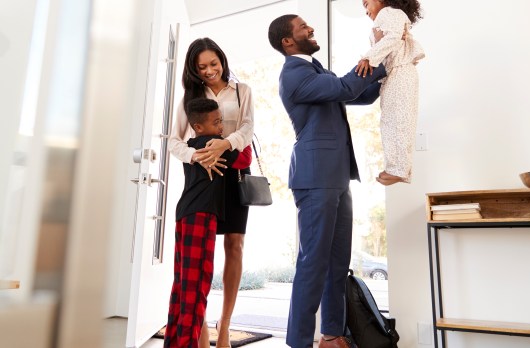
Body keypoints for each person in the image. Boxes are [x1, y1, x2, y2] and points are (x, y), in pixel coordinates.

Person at [268, 14, 387, 348]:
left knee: (337, 261)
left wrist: (387, 72)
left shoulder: (316, 70)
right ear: (287, 42)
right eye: (302, 27)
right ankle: (299, 342)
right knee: (313, 262)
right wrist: (376, 54)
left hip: (336, 177)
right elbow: (348, 86)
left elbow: (358, 94)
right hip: (315, 177)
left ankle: (331, 335)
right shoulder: (293, 74)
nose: (311, 29)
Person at [168, 37, 254, 348]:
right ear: (193, 69)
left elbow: (247, 128)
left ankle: (225, 326)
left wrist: (225, 143)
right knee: (199, 256)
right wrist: (195, 156)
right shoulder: (189, 97)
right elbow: (173, 140)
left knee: (235, 245)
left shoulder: (242, 90)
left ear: (222, 60)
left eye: (213, 64)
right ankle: (200, 332)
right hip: (204, 176)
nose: (209, 71)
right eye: (201, 67)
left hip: (235, 171)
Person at [356, 0, 425, 186]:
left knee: (399, 121)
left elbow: (393, 37)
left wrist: (368, 57)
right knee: (392, 121)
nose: (366, 11)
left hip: (400, 72)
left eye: (366, 4)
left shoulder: (388, 12)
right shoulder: (389, 16)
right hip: (395, 73)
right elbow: (392, 41)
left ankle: (399, 169)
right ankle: (397, 168)